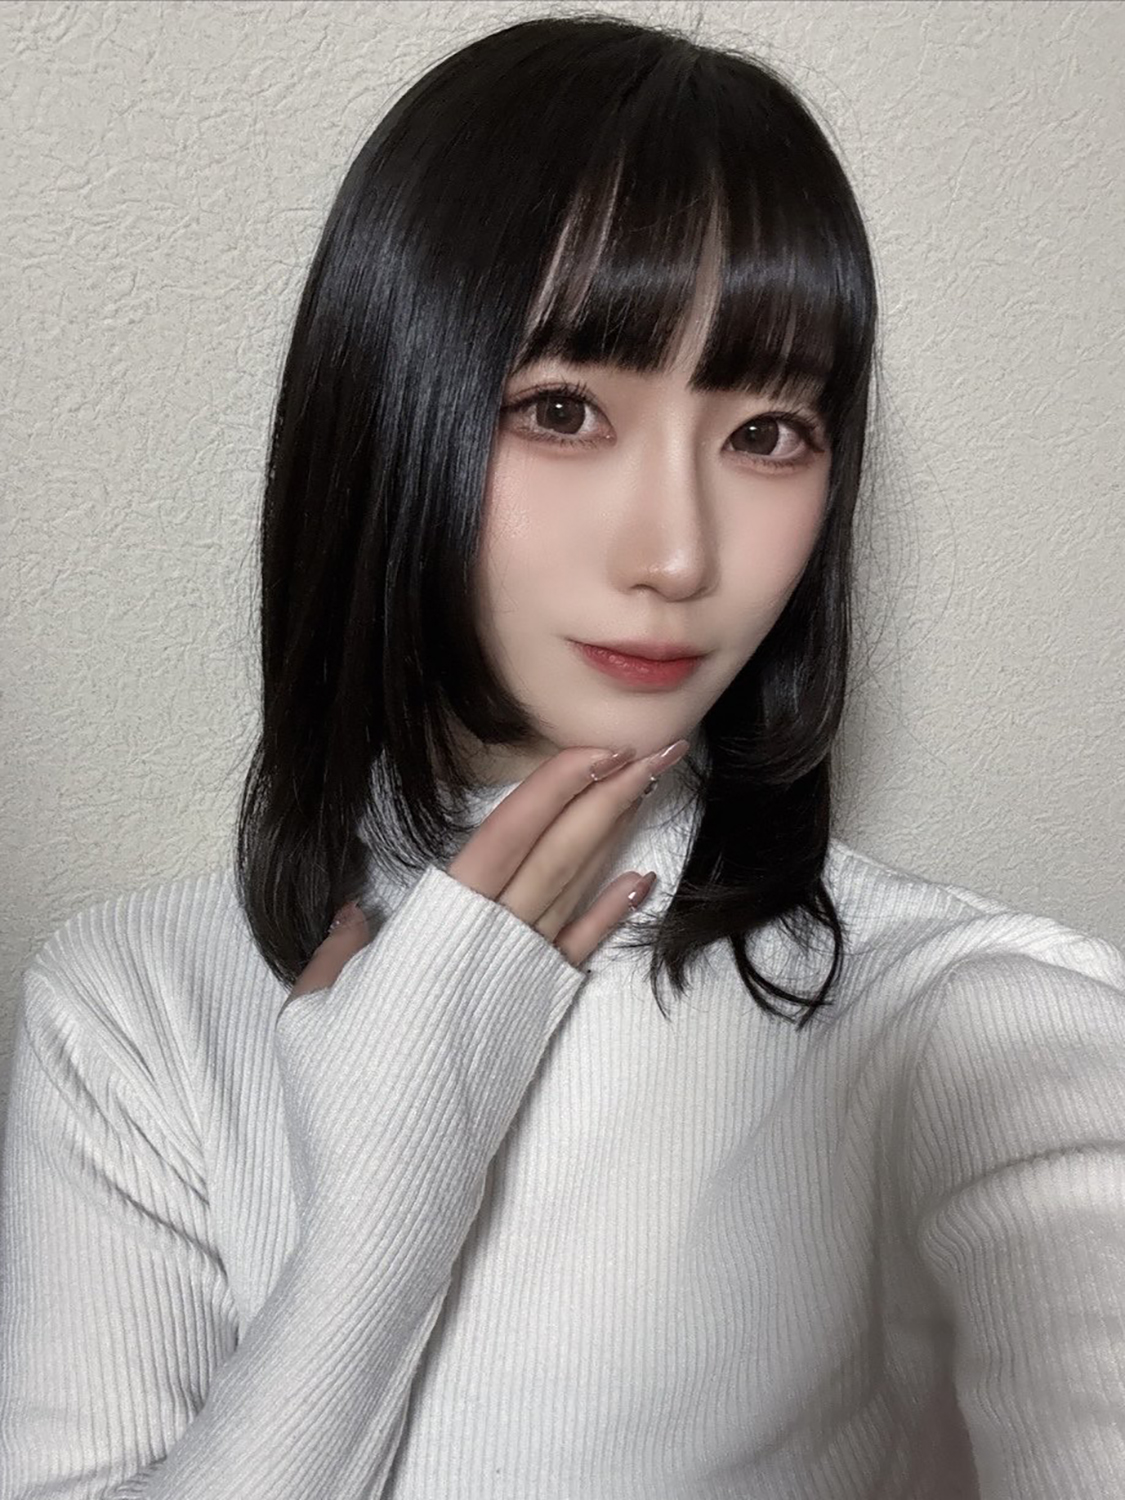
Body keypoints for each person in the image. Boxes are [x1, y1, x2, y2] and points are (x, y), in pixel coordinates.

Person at [1, 11, 1123, 1499]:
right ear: (386, 415)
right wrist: (383, 1216)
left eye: (768, 434)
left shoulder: (970, 1029)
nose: (678, 554)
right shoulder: (133, 1010)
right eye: (563, 410)